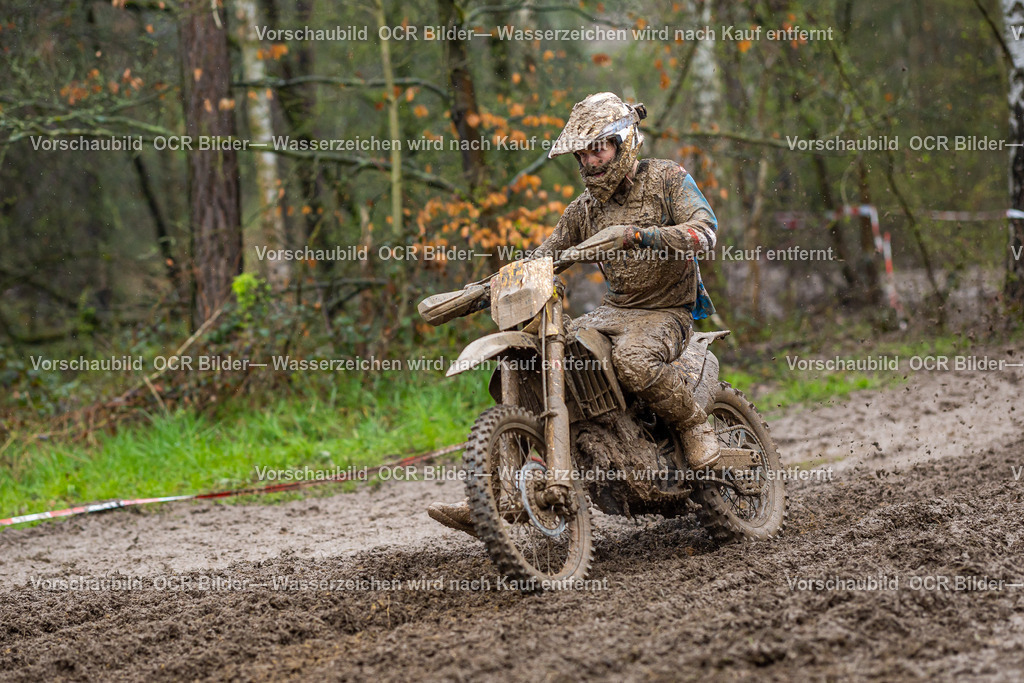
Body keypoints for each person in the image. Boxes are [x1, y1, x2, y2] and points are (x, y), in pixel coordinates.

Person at [428, 92, 721, 536]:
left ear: (624, 141)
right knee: (541, 361)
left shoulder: (667, 179)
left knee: (633, 361)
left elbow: (705, 231)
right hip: (614, 311)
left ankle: (695, 425)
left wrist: (641, 235)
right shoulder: (583, 210)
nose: (589, 161)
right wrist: (479, 293)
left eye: (597, 149)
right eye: (581, 154)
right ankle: (493, 494)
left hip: (667, 311)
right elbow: (542, 258)